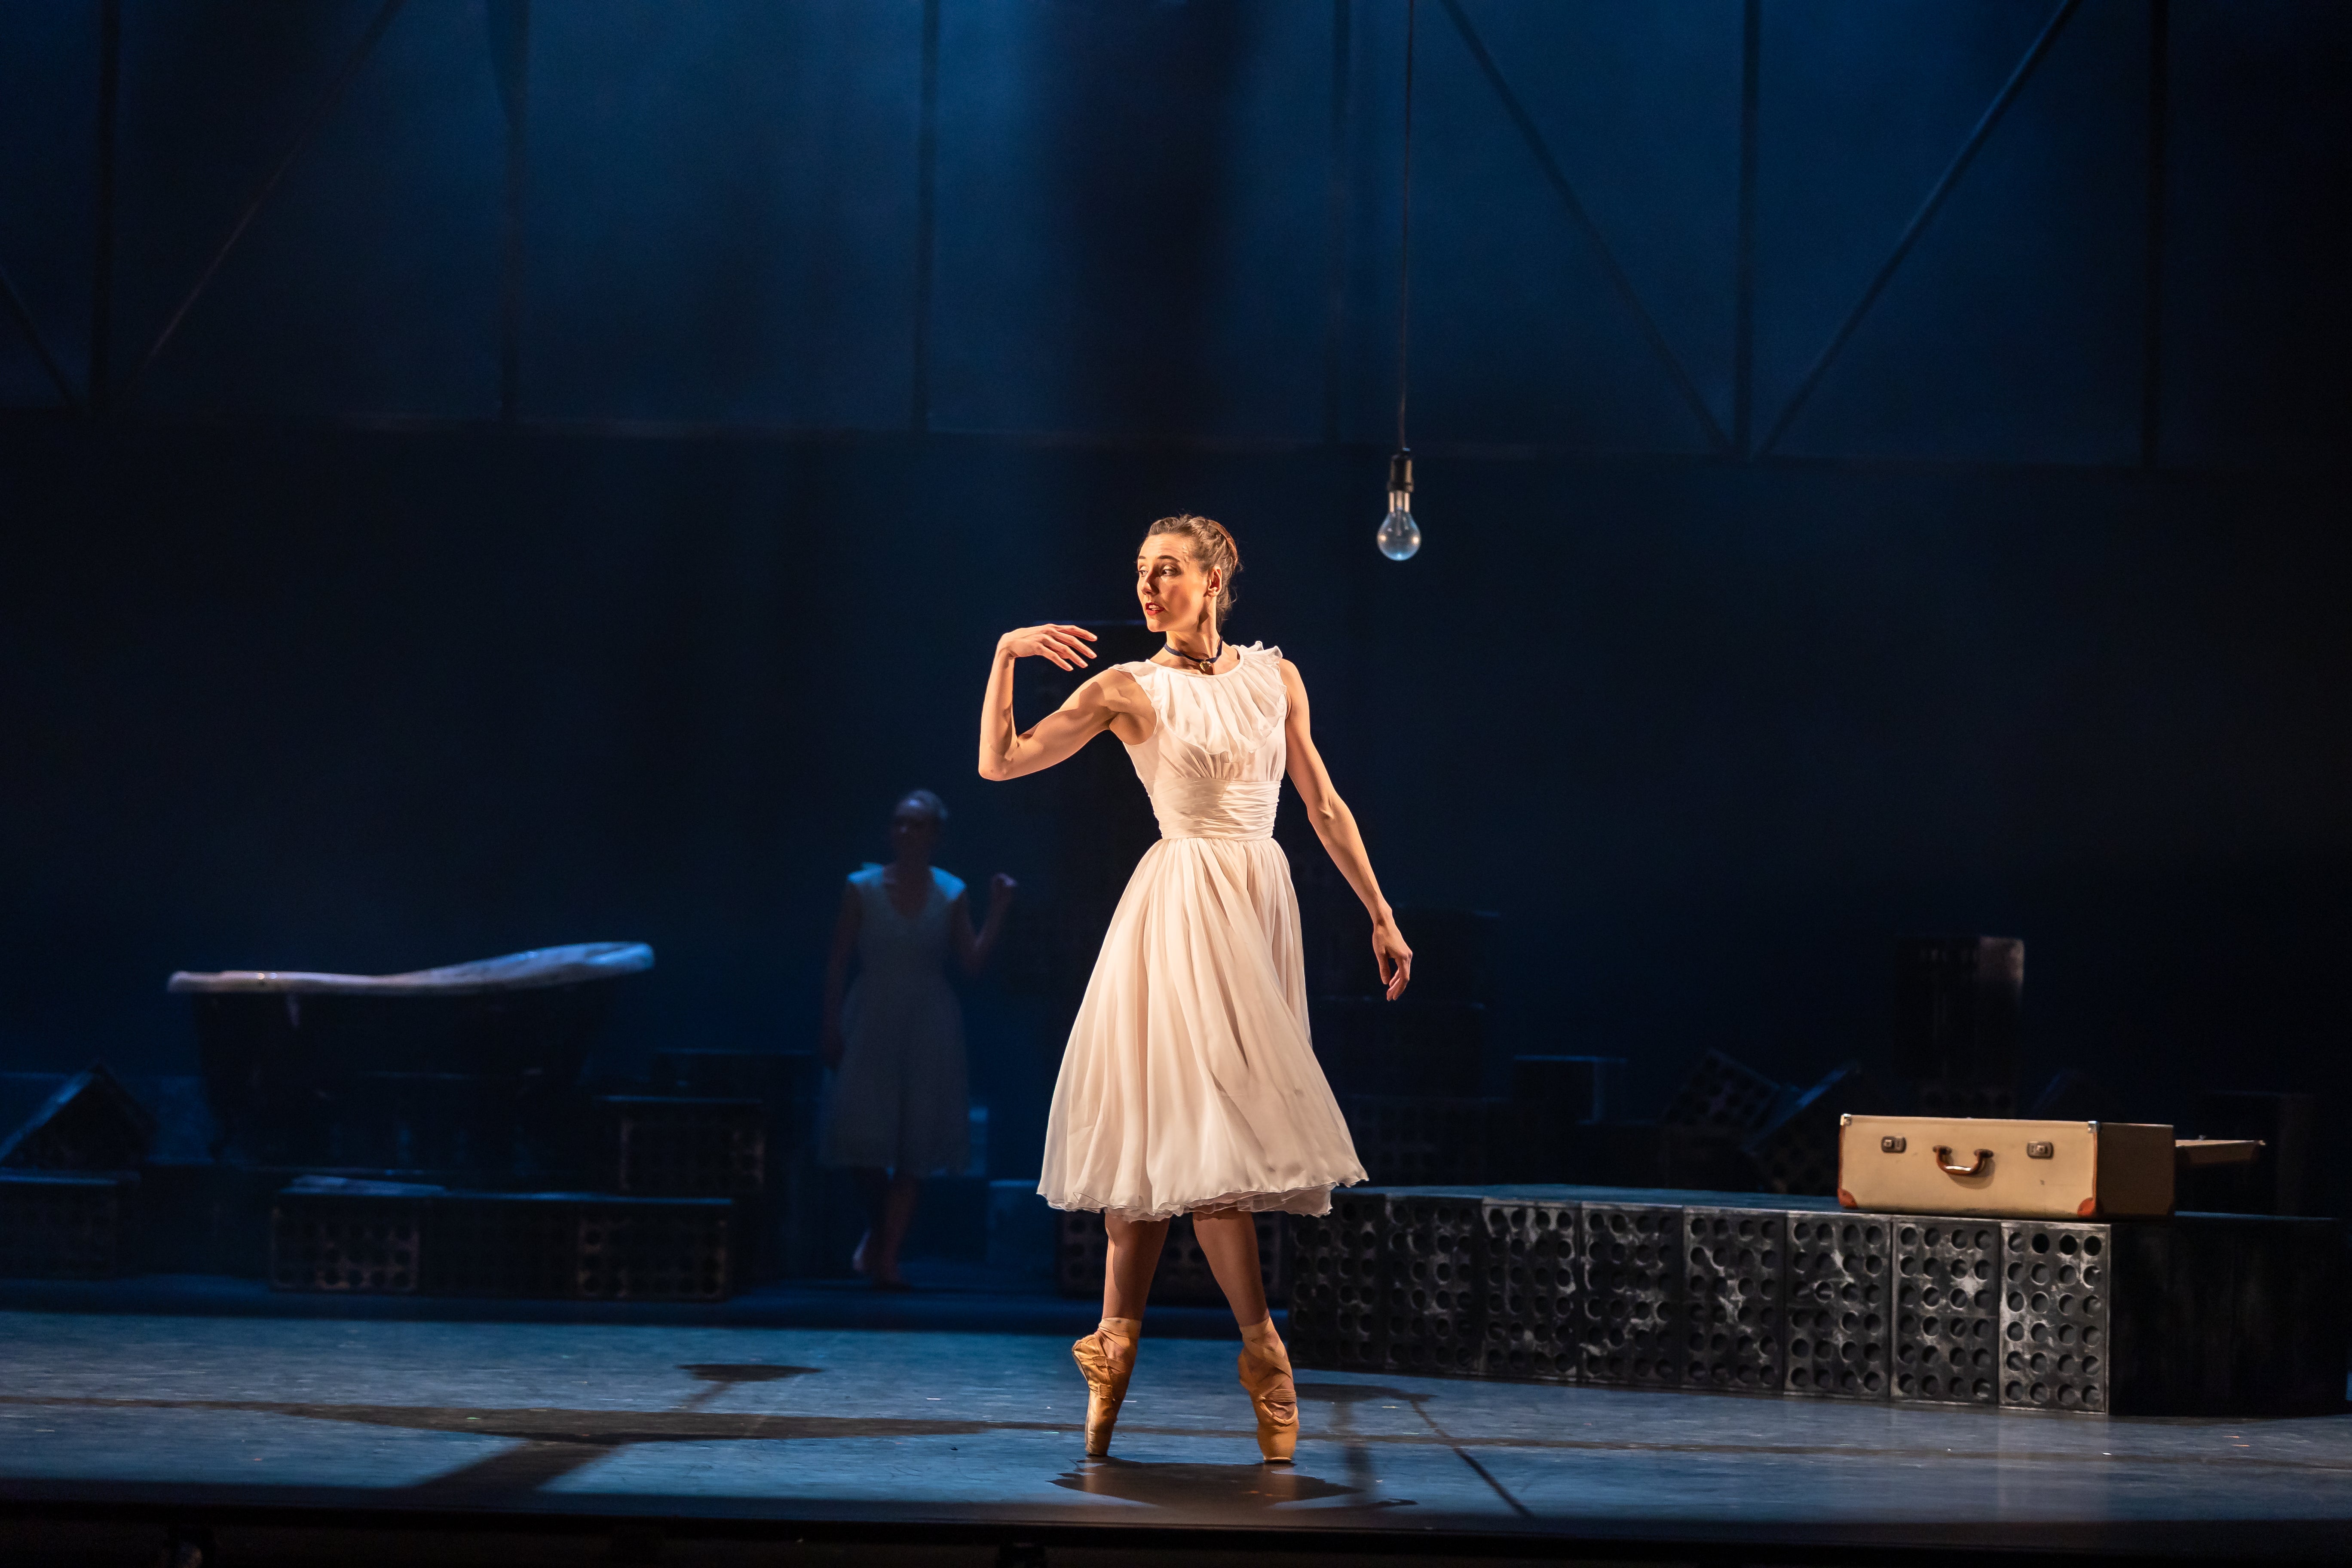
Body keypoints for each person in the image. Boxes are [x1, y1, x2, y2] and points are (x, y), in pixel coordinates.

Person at [977, 514, 1412, 1463]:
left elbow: (1324, 805)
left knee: (1201, 1131)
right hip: (1179, 906)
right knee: (1176, 1126)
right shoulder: (1129, 687)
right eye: (1141, 571)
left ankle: (1127, 1343)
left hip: (1257, 901)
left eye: (1168, 570)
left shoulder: (1275, 677)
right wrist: (1008, 654)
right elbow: (1002, 761)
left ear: (1216, 579)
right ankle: (1252, 1348)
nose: (1149, 586)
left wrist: (1379, 910)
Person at [819, 789, 1014, 1289]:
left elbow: (970, 963)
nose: (906, 833)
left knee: (914, 1144)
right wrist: (831, 1023)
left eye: (917, 825)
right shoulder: (861, 888)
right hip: (873, 1016)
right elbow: (838, 960)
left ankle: (886, 1257)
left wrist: (998, 910)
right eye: (900, 824)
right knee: (864, 1139)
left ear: (935, 835)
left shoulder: (950, 892)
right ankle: (879, 1236)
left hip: (927, 1022)